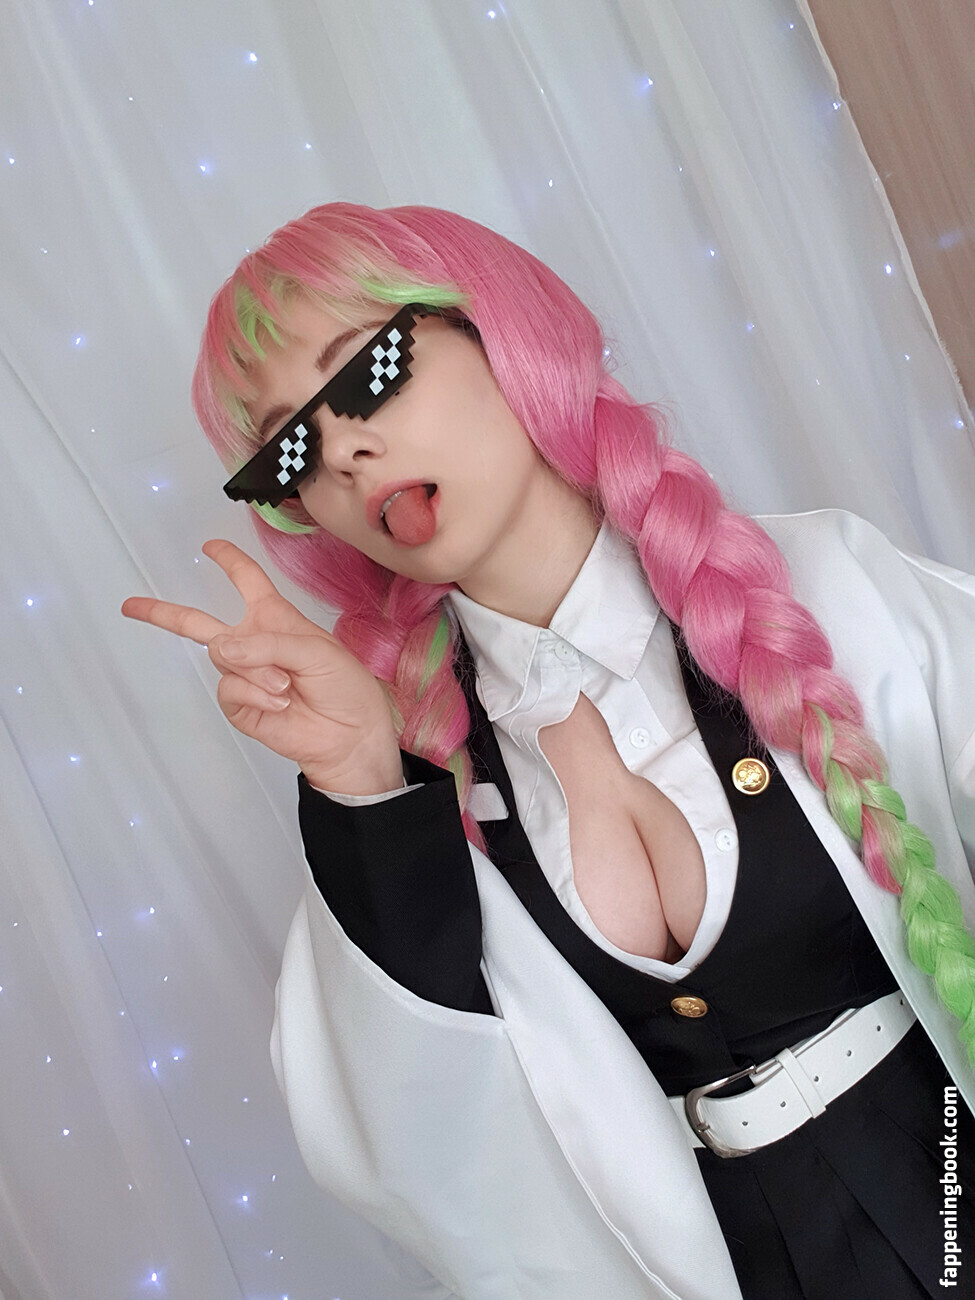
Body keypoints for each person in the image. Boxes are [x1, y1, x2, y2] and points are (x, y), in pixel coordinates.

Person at [122, 202, 975, 1299]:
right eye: (291, 446)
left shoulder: (826, 592)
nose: (340, 449)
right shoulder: (423, 782)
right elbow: (415, 1144)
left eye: (369, 372)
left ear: (500, 329)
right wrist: (363, 789)